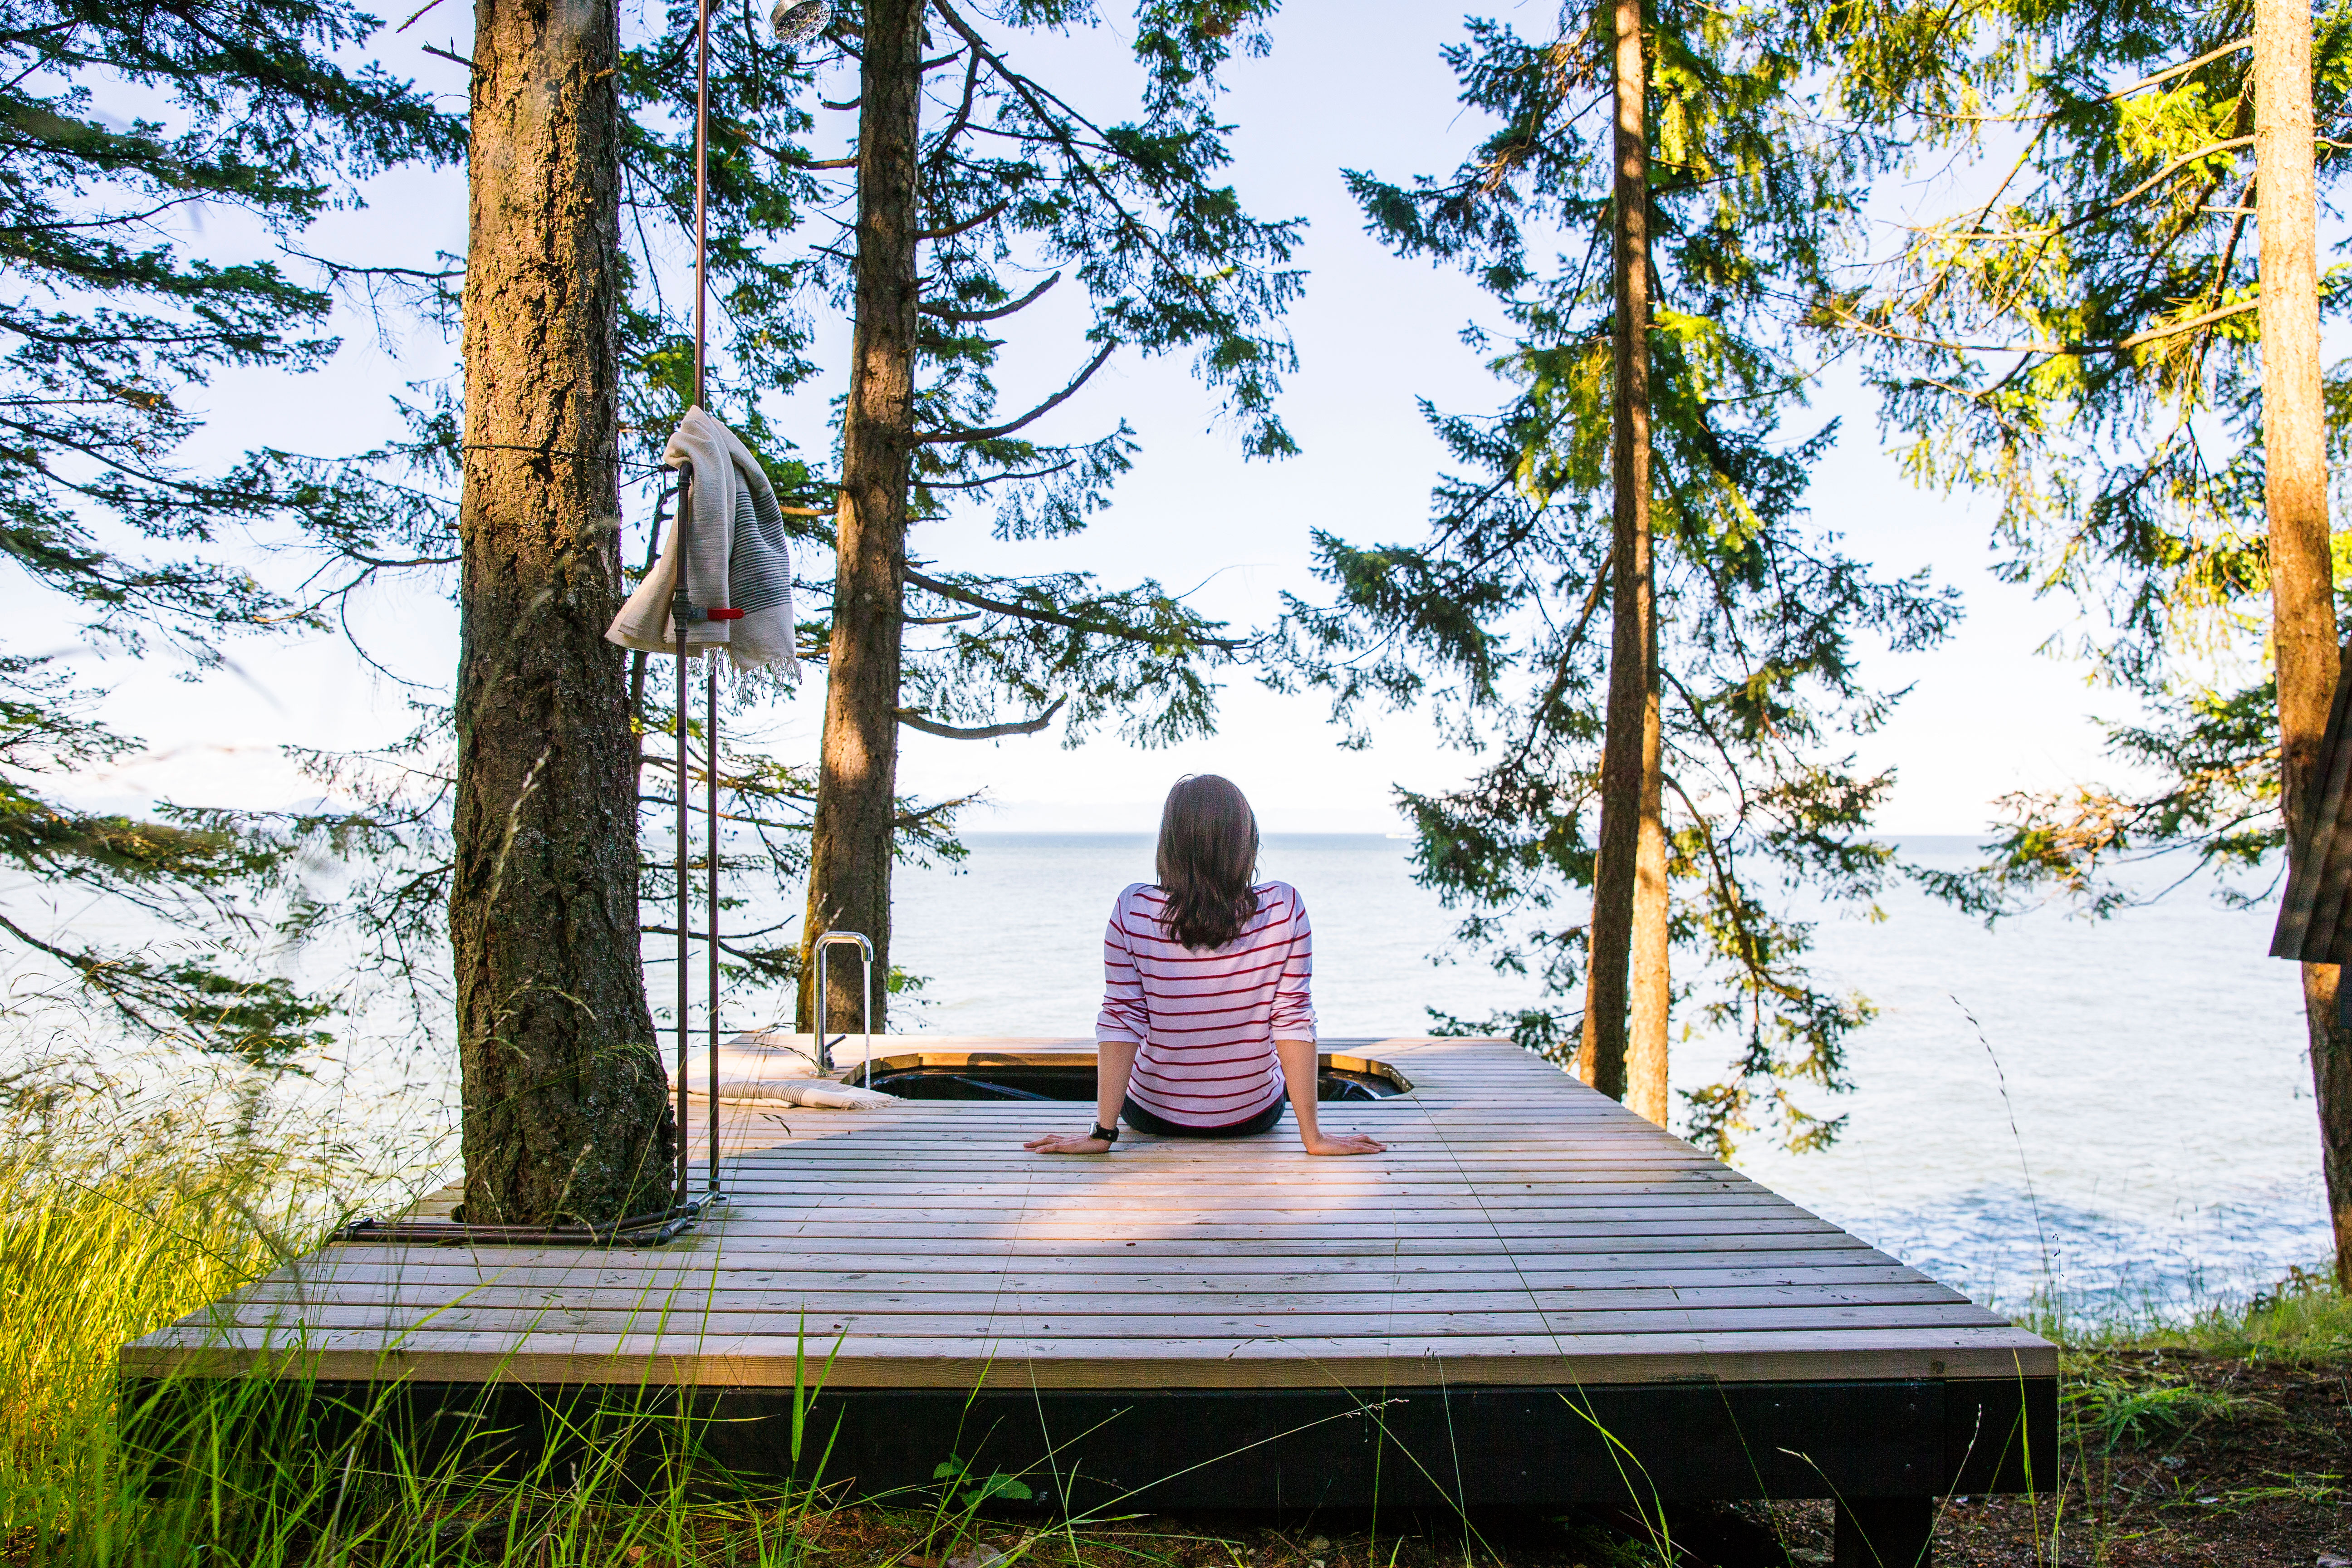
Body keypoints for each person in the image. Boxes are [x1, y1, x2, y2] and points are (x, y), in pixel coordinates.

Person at [1025, 774, 1387, 1157]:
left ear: (1171, 844)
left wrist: (1102, 1134)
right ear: (1245, 840)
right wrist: (1313, 1137)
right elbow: (1292, 1017)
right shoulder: (1284, 907)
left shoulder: (1133, 909)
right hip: (1253, 1114)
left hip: (1151, 1115)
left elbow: (1121, 1018)